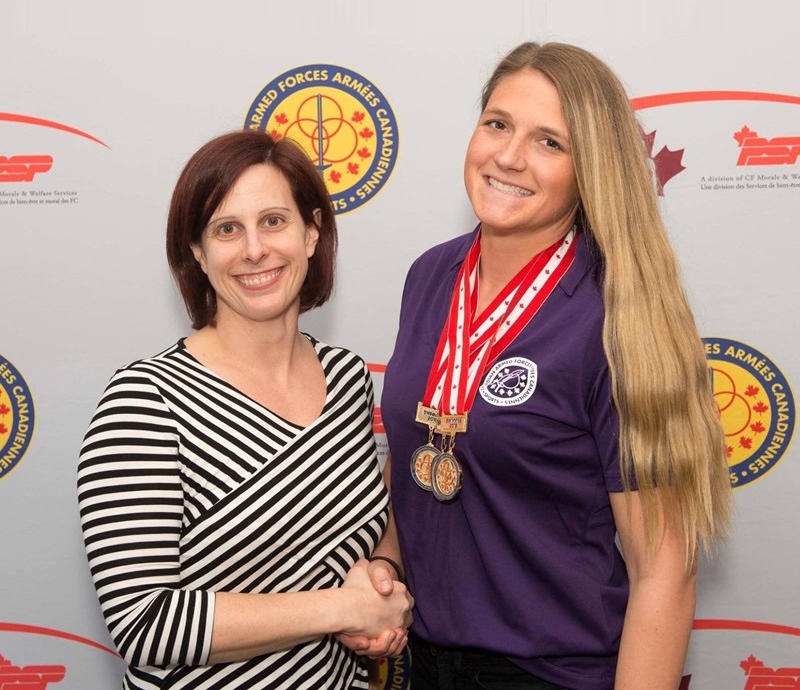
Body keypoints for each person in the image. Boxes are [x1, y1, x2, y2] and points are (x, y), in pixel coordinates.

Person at [367, 43, 732, 690]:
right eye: (498, 124)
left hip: (553, 674)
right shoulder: (429, 275)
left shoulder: (620, 318)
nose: (508, 157)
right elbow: (420, 455)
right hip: (421, 661)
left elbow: (664, 569)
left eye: (550, 143)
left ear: (591, 167)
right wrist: (384, 571)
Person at [77, 130, 413, 690]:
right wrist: (340, 609)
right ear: (196, 252)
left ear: (311, 233)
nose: (254, 249)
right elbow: (143, 623)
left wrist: (380, 579)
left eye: (274, 221)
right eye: (226, 229)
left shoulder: (348, 378)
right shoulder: (144, 401)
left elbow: (370, 522)